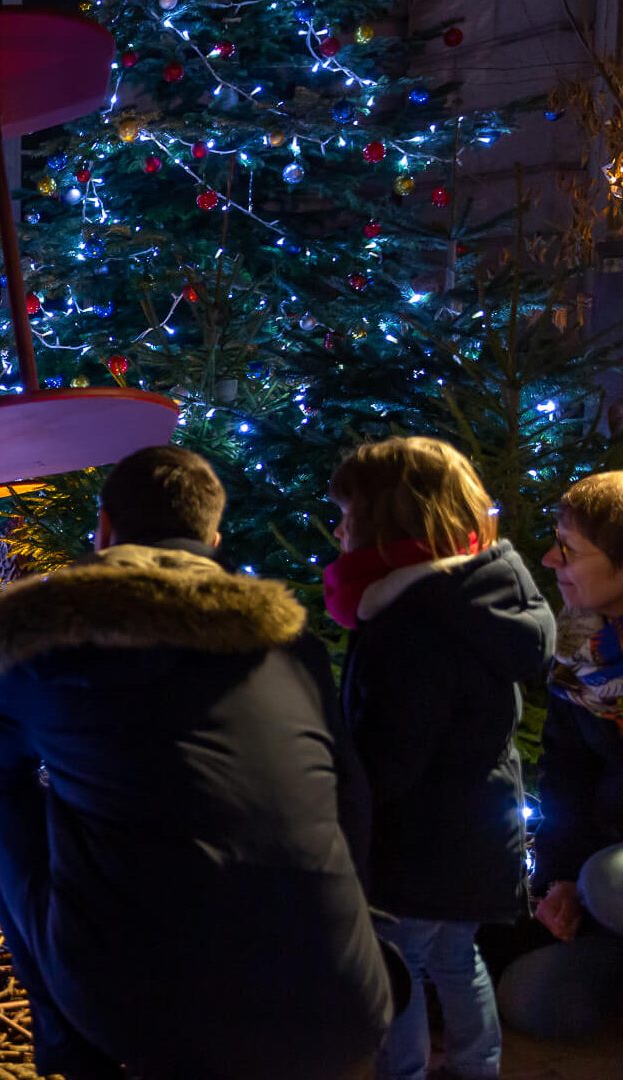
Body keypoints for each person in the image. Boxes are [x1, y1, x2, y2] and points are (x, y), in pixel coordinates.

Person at [0, 445, 393, 1080]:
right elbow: (351, 799)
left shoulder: (54, 647)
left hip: (149, 1016)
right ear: (211, 537)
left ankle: (72, 1049)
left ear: (104, 528)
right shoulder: (290, 645)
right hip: (338, 1003)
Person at [324, 436, 555, 1080]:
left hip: (419, 841)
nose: (338, 528)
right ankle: (480, 1065)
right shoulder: (483, 595)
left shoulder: (410, 620)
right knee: (456, 956)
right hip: (481, 830)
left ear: (381, 522)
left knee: (398, 963)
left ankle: (405, 1073)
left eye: (347, 514)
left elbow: (394, 750)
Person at [496, 471, 623, 1038]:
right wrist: (560, 883)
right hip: (606, 874)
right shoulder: (581, 644)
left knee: (610, 881)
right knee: (533, 999)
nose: (550, 559)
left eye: (569, 549)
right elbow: (566, 774)